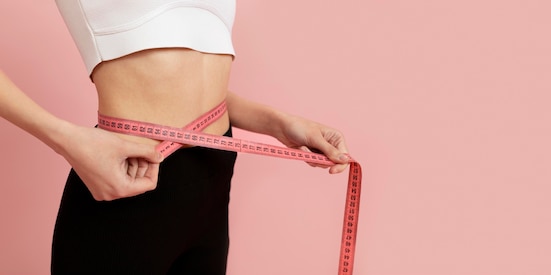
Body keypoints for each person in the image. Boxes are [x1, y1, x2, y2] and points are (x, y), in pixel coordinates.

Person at [0, 1, 350, 274]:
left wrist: (279, 123)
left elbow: (183, 77)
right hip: (131, 181)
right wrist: (65, 138)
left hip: (213, 180)